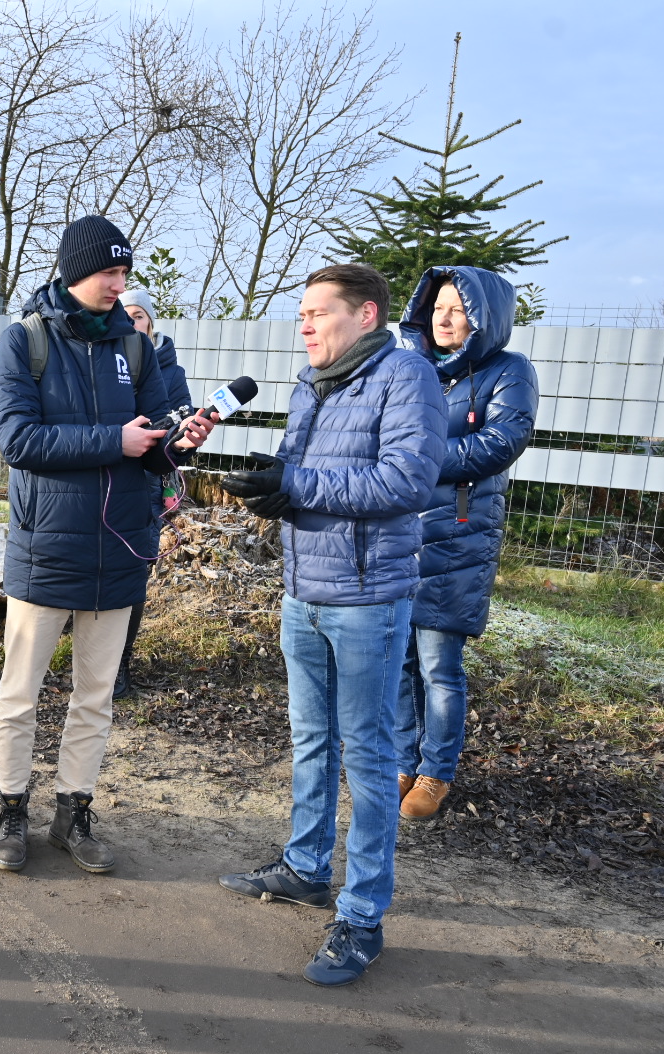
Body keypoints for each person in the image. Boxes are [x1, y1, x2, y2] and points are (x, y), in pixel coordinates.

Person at [216, 263, 446, 987]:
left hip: (369, 600)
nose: (305, 324)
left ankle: (364, 915)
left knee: (372, 758)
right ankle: (306, 866)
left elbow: (407, 481)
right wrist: (269, 485)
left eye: (319, 312)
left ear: (367, 315)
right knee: (311, 739)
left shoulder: (407, 378)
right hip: (303, 591)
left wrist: (298, 485)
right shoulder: (308, 385)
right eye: (303, 313)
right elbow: (300, 472)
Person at [0, 215, 214, 875]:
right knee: (20, 692)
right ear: (73, 270)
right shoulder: (23, 342)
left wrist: (177, 444)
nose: (119, 283)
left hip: (120, 548)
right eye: (108, 271)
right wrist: (113, 441)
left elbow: (153, 446)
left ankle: (72, 813)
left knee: (95, 695)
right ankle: (11, 810)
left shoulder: (136, 350)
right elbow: (19, 441)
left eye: (124, 272)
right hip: (45, 547)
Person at [394, 267, 538, 819]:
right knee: (400, 659)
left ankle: (436, 773)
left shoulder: (509, 371)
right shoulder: (414, 369)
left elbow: (503, 440)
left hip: (459, 532)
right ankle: (403, 760)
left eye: (459, 308)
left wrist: (420, 462)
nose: (445, 317)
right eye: (438, 308)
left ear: (485, 317)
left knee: (438, 661)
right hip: (403, 530)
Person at [114, 288, 193, 698]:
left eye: (139, 316)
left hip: (145, 479)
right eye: (125, 315)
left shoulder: (170, 371)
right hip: (104, 472)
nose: (132, 323)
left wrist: (182, 439)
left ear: (151, 323)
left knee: (133, 569)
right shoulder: (106, 359)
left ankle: (120, 664)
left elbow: (180, 426)